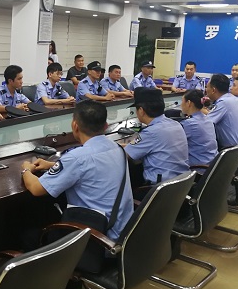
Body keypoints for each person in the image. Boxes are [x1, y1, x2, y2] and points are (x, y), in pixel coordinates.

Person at [20, 99, 133, 251]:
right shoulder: (118, 148)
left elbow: (35, 188)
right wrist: (52, 165)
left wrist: (26, 169)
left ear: (75, 126)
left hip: (98, 241)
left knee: (28, 235)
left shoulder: (76, 158)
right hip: (124, 234)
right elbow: (91, 166)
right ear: (106, 126)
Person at [124, 88, 189, 186]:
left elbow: (125, 154)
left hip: (160, 188)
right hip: (181, 184)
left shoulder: (150, 132)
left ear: (141, 110)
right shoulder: (175, 124)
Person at [204, 73, 238, 149]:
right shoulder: (232, 98)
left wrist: (196, 109)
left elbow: (204, 125)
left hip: (237, 151)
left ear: (213, 90)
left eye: (207, 87)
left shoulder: (224, 103)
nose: (205, 90)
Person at [179, 90, 218, 167]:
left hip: (198, 167)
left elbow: (173, 143)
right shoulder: (208, 119)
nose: (181, 104)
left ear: (189, 103)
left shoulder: (189, 124)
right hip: (212, 163)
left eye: (182, 101)